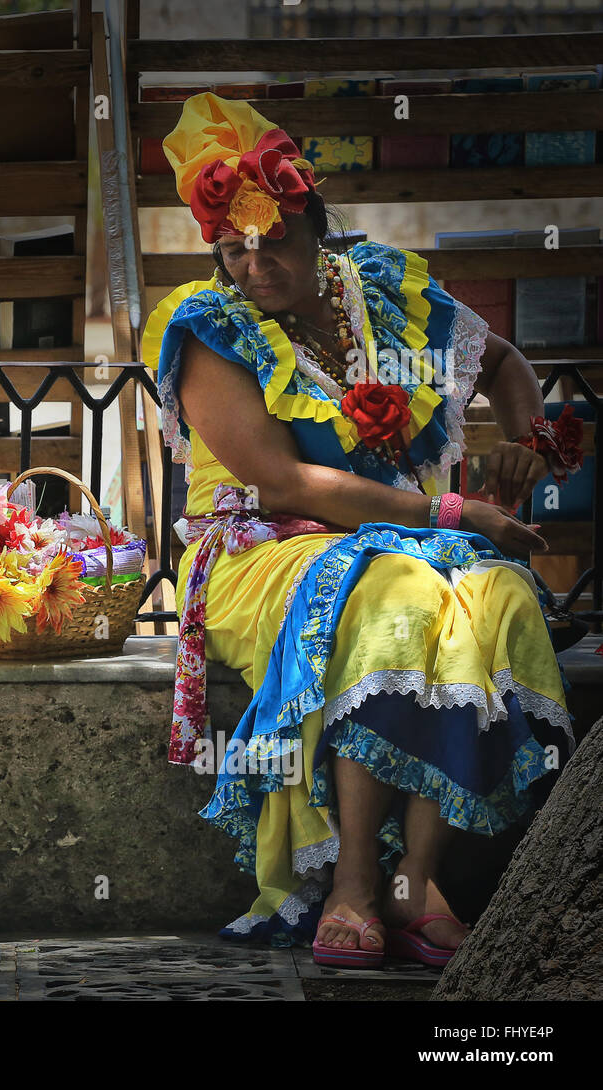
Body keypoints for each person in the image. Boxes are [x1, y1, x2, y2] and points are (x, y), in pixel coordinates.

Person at [142, 93, 580, 966]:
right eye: (235, 249)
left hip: (408, 538)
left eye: (276, 243)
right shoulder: (207, 326)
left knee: (495, 591)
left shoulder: (381, 287)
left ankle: (415, 883)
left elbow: (501, 361)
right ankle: (349, 880)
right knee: (398, 588)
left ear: (315, 228)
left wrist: (525, 444)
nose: (256, 265)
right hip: (265, 551)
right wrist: (452, 511)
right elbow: (285, 480)